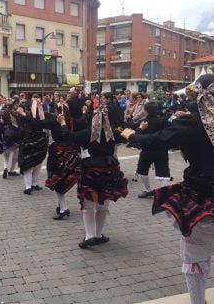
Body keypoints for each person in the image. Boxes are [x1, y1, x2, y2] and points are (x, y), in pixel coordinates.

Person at [121, 74, 214, 304]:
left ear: (196, 94)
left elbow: (159, 140)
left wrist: (132, 135)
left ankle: (198, 301)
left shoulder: (192, 122)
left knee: (194, 253)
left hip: (199, 194)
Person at [58, 102, 128, 248]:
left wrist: (63, 123)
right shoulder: (113, 132)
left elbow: (68, 136)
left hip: (91, 169)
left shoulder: (88, 133)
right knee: (102, 204)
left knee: (88, 204)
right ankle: (97, 235)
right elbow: (128, 136)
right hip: (109, 170)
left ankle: (90, 235)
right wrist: (139, 128)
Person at [17, 100, 81, 220]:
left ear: (57, 111)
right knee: (63, 179)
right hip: (72, 154)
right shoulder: (75, 121)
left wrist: (24, 114)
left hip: (59, 153)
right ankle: (60, 205)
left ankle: (63, 208)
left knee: (57, 181)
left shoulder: (55, 122)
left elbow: (37, 123)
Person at [134, 102, 172, 198]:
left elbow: (136, 136)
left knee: (142, 170)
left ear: (146, 111)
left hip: (147, 150)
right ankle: (165, 193)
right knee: (163, 172)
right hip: (162, 150)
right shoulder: (164, 120)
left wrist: (140, 129)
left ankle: (148, 190)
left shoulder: (143, 122)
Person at [18, 95, 49, 195]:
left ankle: (34, 184)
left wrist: (39, 107)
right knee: (28, 164)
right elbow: (21, 119)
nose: (35, 102)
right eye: (33, 100)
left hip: (40, 140)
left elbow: (43, 121)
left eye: (37, 100)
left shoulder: (41, 110)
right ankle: (28, 186)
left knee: (38, 164)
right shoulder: (25, 108)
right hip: (28, 140)